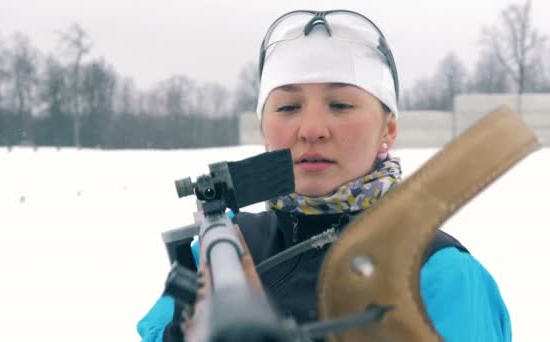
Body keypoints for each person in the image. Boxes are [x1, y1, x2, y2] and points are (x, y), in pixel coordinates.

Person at [137, 9, 512, 342]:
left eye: (341, 104)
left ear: (389, 129)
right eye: (287, 106)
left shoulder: (439, 274)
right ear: (264, 129)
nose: (311, 129)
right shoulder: (226, 247)